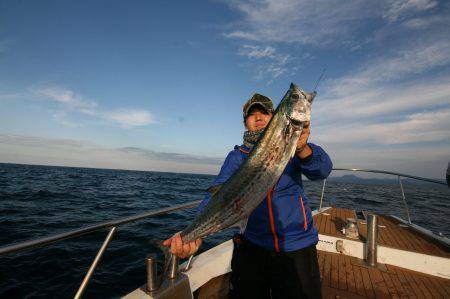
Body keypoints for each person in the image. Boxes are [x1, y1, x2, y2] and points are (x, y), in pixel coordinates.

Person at [163, 93, 332, 298]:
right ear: (245, 123)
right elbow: (217, 193)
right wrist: (193, 234)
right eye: (252, 115)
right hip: (252, 245)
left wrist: (303, 148)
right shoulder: (236, 156)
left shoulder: (294, 147)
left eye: (264, 112)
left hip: (296, 245)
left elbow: (322, 171)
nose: (258, 117)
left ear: (275, 117)